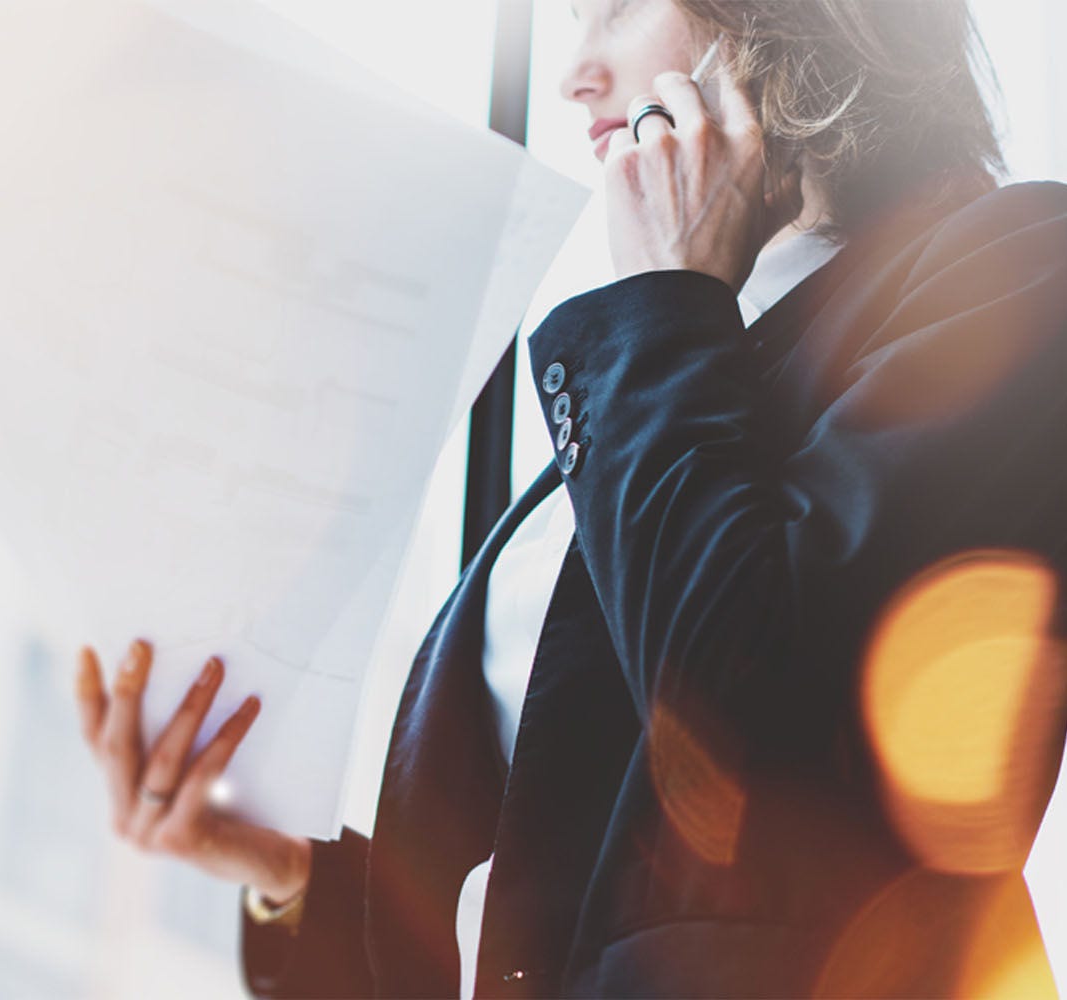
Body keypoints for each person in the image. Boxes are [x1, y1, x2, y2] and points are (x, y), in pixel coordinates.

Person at [76, 0, 1067, 995]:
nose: (575, 76)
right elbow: (548, 914)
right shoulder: (686, 353)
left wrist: (670, 299)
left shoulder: (1017, 269)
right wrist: (288, 870)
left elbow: (768, 733)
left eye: (618, 9)